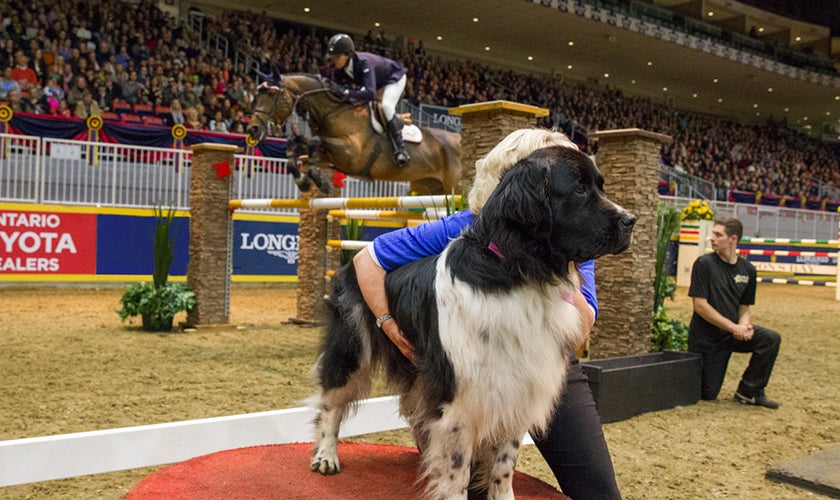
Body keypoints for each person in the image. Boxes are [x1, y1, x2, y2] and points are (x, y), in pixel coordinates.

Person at [353, 129, 622, 500]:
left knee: (600, 493)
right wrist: (389, 325)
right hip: (480, 369)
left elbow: (580, 332)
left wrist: (562, 267)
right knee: (468, 483)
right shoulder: (467, 225)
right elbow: (367, 260)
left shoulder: (577, 235)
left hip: (548, 366)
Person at [687, 218, 782, 409]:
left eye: (718, 235)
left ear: (733, 239)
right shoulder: (703, 264)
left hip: (732, 333)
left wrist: (744, 325)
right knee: (708, 394)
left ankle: (749, 391)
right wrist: (734, 328)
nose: (711, 238)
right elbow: (700, 306)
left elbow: (744, 306)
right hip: (707, 339)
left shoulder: (748, 270)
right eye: (712, 234)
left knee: (770, 339)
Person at [326, 33, 410, 167]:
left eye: (337, 57)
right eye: (332, 57)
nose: (334, 60)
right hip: (376, 83)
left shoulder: (364, 63)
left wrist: (347, 92)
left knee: (386, 107)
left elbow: (370, 93)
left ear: (347, 54)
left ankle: (400, 150)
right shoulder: (339, 70)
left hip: (393, 79)